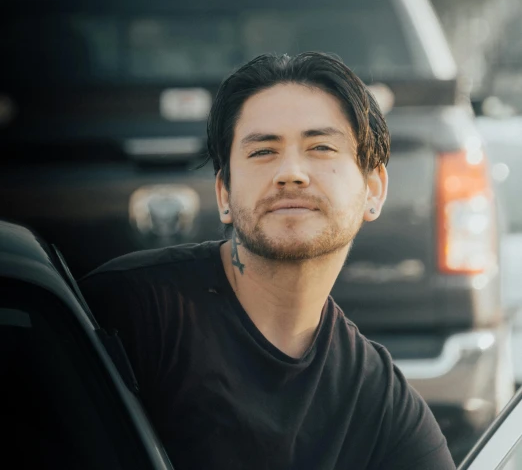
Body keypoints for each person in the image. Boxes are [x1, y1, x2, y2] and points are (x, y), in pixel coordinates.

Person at [79, 52, 456, 470]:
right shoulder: (134, 314)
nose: (291, 172)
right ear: (224, 194)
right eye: (262, 152)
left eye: (321, 147)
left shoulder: (379, 402)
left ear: (374, 189)